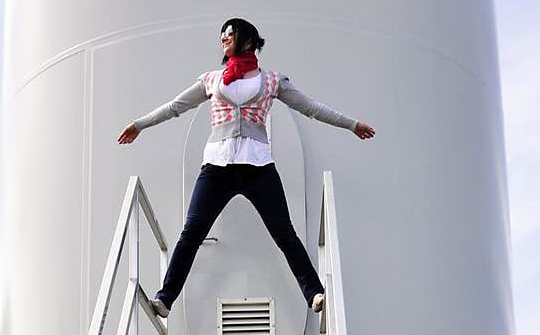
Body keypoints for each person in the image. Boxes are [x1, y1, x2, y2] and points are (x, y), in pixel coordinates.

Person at [117, 18, 375, 317]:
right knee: (192, 233)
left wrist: (352, 125)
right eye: (222, 34)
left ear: (248, 39)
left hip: (258, 167)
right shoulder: (212, 80)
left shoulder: (272, 82)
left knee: (284, 233)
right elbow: (176, 106)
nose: (224, 37)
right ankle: (165, 298)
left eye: (230, 32)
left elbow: (311, 108)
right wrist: (140, 125)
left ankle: (314, 292)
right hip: (216, 167)